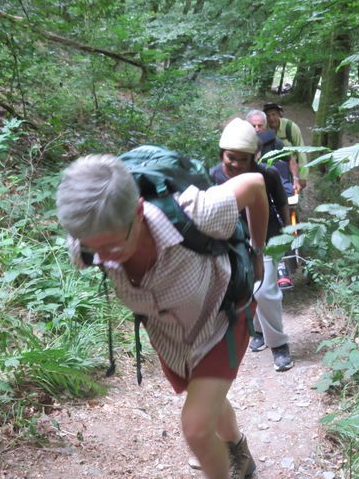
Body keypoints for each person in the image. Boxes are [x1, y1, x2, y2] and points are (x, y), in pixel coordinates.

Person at [56, 149, 269, 478]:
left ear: (139, 212)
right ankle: (237, 448)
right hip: (172, 339)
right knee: (206, 402)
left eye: (112, 247)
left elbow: (255, 184)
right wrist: (101, 248)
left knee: (196, 428)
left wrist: (257, 251)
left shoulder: (196, 214)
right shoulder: (89, 245)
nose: (104, 260)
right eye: (92, 249)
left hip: (221, 318)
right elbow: (94, 248)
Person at [209, 118, 294, 372]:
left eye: (242, 159)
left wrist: (287, 234)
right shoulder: (213, 175)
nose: (234, 164)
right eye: (230, 157)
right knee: (244, 288)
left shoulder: (266, 175)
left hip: (267, 238)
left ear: (252, 158)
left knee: (265, 291)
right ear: (222, 154)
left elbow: (281, 203)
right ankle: (256, 331)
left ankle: (279, 345)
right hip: (231, 241)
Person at [246, 110, 295, 291]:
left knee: (273, 221)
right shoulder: (240, 146)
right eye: (254, 126)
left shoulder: (275, 143)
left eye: (260, 125)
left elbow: (290, 161)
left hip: (272, 191)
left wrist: (296, 179)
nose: (258, 129)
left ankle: (281, 267)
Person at [262, 102, 308, 194]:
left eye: (273, 114)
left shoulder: (290, 128)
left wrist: (303, 176)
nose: (271, 118)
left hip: (291, 168)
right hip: (270, 168)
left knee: (294, 195)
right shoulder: (263, 128)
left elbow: (301, 151)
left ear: (279, 114)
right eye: (268, 115)